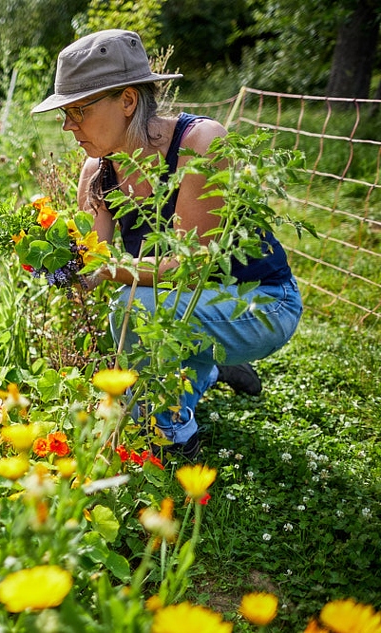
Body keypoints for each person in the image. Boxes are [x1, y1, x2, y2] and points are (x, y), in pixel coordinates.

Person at [31, 29, 303, 458]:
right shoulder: (97, 170)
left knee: (133, 307)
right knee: (138, 308)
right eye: (65, 112)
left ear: (127, 100)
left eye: (79, 110)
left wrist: (102, 269)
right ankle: (209, 368)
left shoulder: (199, 144)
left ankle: (172, 434)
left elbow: (188, 268)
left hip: (262, 306)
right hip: (188, 306)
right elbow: (92, 260)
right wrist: (59, 261)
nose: (68, 125)